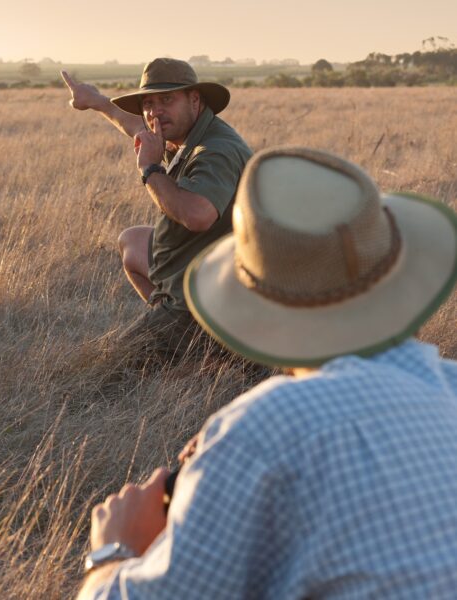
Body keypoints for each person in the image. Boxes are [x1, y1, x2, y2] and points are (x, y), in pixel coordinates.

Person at [78, 147, 457, 598]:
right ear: (396, 265)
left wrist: (113, 551)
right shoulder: (448, 382)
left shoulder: (263, 428)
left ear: (258, 301)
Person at [62, 59, 252, 365]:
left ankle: (203, 347)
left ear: (195, 100)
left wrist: (150, 169)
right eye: (148, 103)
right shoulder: (187, 135)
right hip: (198, 271)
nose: (155, 112)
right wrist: (96, 101)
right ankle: (184, 342)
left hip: (213, 297)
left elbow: (198, 216)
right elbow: (135, 126)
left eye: (167, 100)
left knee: (103, 371)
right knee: (133, 241)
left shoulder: (215, 151)